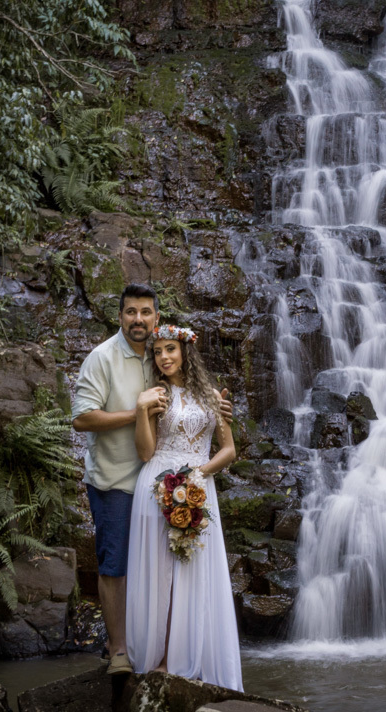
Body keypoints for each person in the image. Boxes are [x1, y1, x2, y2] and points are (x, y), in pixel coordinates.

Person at [72, 285, 232, 677]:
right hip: (117, 479)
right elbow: (81, 419)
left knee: (170, 569)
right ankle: (120, 651)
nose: (138, 319)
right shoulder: (103, 357)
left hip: (172, 483)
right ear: (120, 316)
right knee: (116, 563)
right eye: (130, 312)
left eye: (145, 312)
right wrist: (138, 411)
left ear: (157, 319)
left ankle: (176, 652)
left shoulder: (156, 357)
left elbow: (212, 428)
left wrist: (217, 410)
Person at [125, 324, 242, 691]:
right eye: (158, 351)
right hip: (157, 486)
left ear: (185, 351)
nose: (164, 357)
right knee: (161, 574)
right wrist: (142, 410)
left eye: (170, 349)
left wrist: (198, 475)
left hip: (197, 487)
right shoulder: (157, 395)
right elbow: (146, 452)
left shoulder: (212, 396)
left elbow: (229, 450)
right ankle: (160, 659)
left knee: (192, 573)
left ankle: (192, 657)